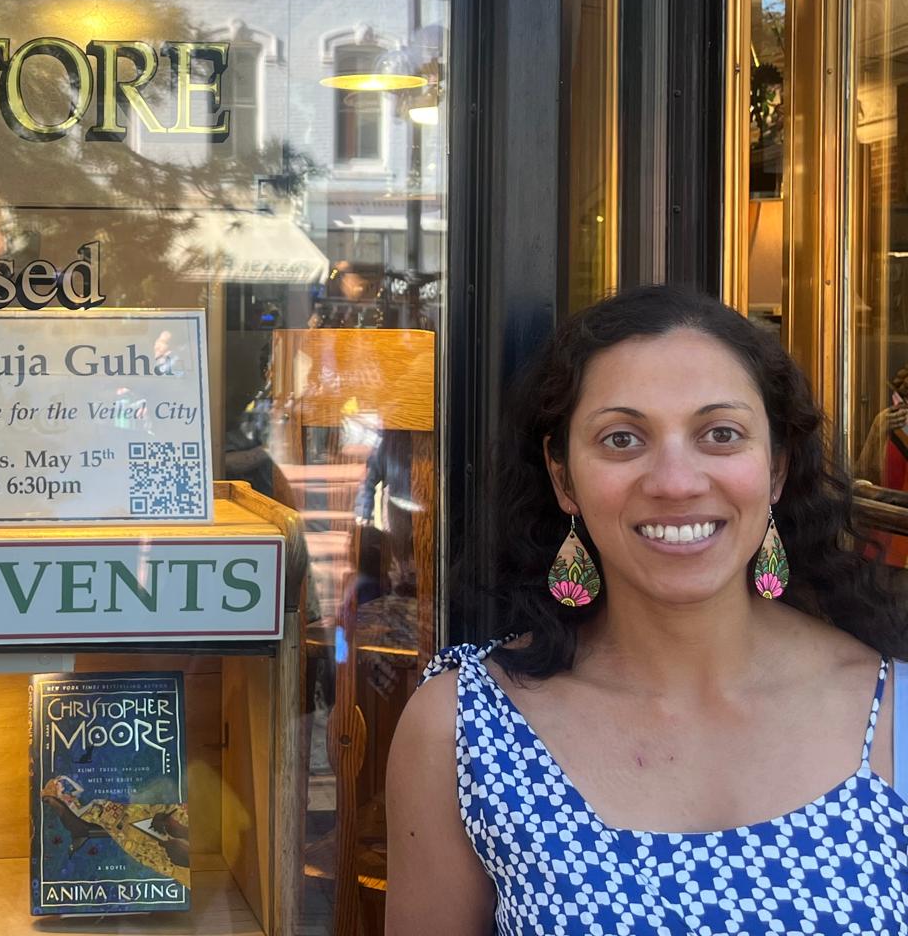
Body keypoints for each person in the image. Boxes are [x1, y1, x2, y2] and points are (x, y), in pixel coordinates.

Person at [385, 284, 908, 934]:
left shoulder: (897, 712)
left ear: (776, 467)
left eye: (721, 434)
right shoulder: (466, 728)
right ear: (563, 478)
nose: (675, 483)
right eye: (622, 439)